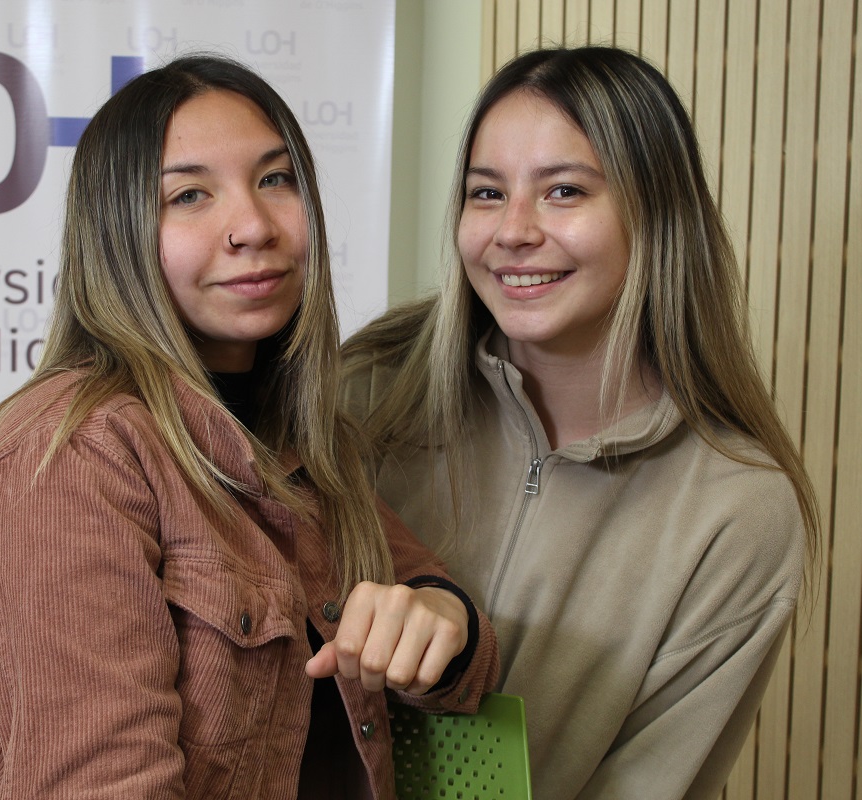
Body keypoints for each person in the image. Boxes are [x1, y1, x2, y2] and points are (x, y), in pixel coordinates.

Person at [0, 54, 498, 799]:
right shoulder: (78, 452)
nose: (252, 226)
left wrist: (443, 618)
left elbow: (455, 640)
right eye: (190, 196)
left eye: (276, 180)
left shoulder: (303, 440)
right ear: (119, 233)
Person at [341, 46, 819, 800]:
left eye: (564, 191)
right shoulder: (364, 394)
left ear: (656, 212)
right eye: (486, 193)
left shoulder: (738, 510)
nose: (514, 231)